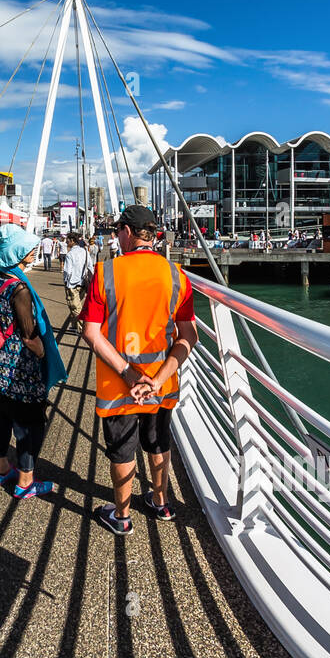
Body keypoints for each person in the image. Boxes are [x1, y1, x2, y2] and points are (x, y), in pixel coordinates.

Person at [81, 204, 196, 536]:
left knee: (122, 448)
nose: (117, 236)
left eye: (118, 231)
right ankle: (160, 502)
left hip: (120, 385)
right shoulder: (177, 275)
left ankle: (122, 515)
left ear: (127, 233)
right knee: (158, 442)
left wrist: (128, 374)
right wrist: (157, 379)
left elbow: (91, 332)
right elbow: (189, 336)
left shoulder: (105, 273)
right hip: (161, 383)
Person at [0, 220, 63, 501]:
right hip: (19, 368)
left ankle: (0, 469)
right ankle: (25, 482)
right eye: (29, 248)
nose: (34, 250)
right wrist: (44, 355)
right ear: (17, 253)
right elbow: (29, 335)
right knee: (30, 423)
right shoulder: (20, 289)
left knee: (0, 414)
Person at [61, 235, 95, 322]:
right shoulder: (85, 251)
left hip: (72, 284)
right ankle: (74, 325)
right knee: (79, 305)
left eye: (68, 240)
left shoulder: (70, 254)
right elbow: (90, 266)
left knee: (75, 308)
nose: (66, 242)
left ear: (72, 241)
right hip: (83, 282)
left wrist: (65, 282)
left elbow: (67, 271)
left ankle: (81, 330)